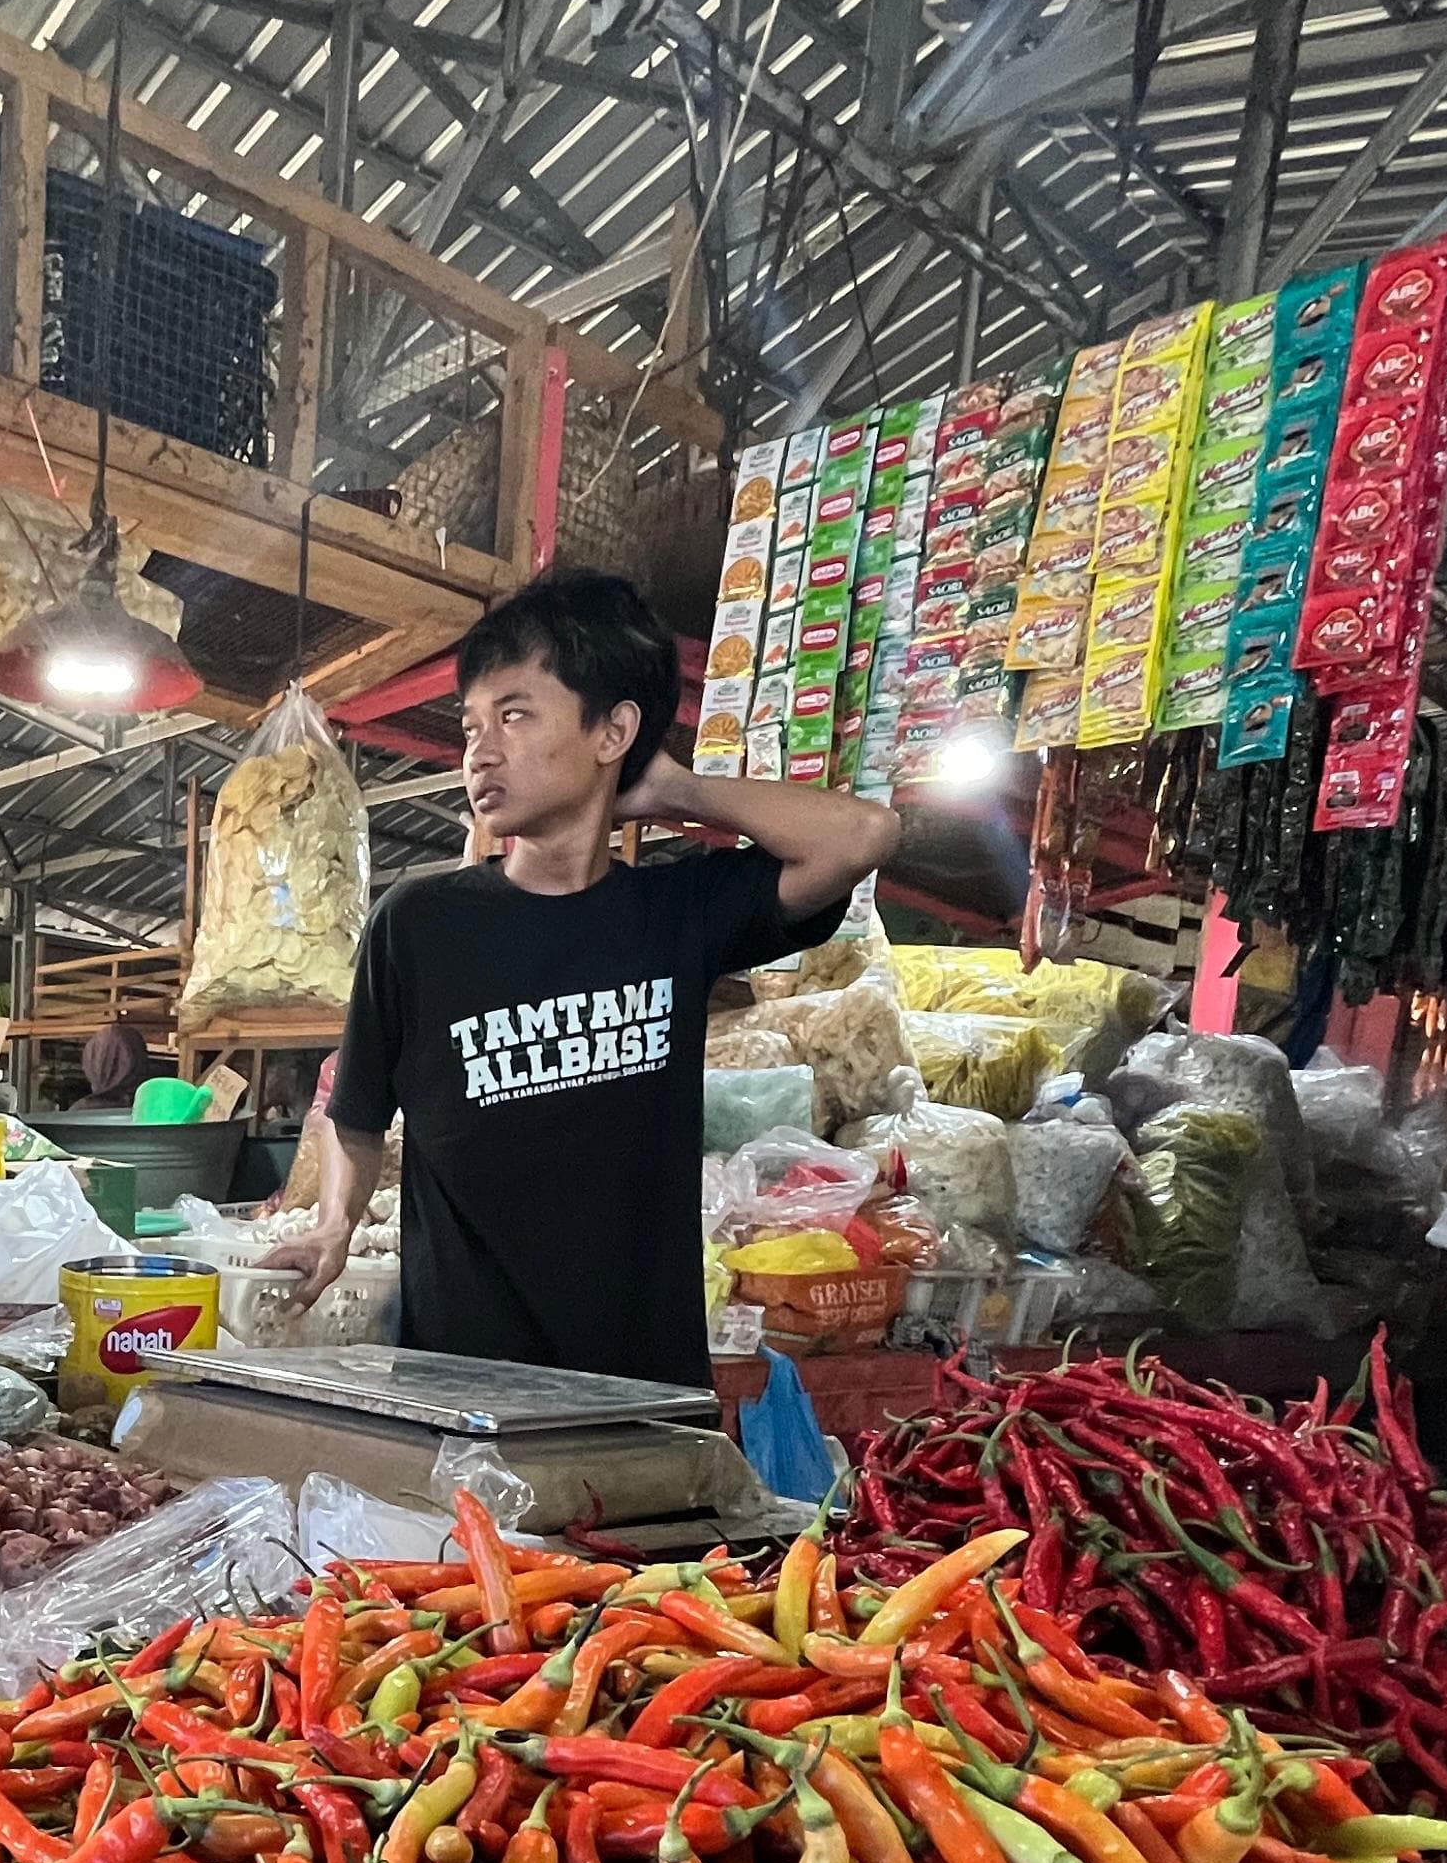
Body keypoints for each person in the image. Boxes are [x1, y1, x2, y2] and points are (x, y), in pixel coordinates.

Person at [288, 569, 1020, 1387]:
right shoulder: (418, 923)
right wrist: (333, 1225)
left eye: (516, 714)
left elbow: (863, 834)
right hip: (462, 1379)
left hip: (641, 1385)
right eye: (471, 727)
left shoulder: (678, 912)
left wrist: (674, 785)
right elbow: (355, 1118)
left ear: (613, 731)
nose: (480, 751)